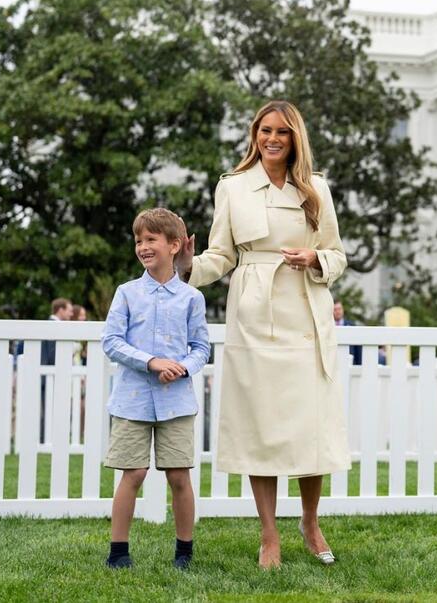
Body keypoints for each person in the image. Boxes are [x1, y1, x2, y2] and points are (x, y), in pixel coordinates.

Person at [176, 100, 349, 569]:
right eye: (265, 130)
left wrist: (316, 260)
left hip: (306, 314)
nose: (272, 138)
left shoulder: (316, 188)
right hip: (255, 312)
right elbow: (222, 255)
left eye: (282, 132)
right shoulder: (232, 188)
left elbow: (336, 253)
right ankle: (269, 535)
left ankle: (310, 522)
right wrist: (187, 266)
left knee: (309, 427)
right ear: (255, 134)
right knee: (262, 427)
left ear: (296, 138)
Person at [101, 208, 210, 570]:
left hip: (176, 402)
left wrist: (181, 370)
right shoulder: (127, 293)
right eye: (138, 241)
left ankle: (184, 553)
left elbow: (201, 348)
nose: (143, 247)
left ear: (174, 245)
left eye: (151, 240)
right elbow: (112, 342)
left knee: (179, 475)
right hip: (131, 401)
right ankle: (118, 553)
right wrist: (151, 362)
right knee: (132, 474)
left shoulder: (191, 298)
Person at [333, 301, 362, 366]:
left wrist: (358, 365)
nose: (338, 312)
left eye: (339, 309)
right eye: (335, 309)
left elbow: (358, 347)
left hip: (350, 363)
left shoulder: (352, 325)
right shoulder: (328, 327)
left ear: (343, 310)